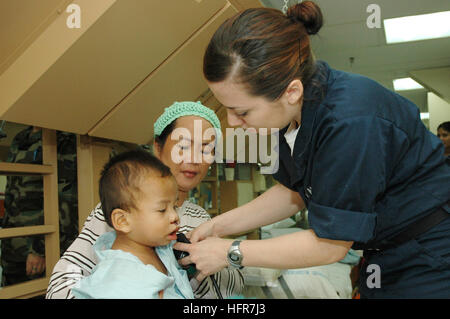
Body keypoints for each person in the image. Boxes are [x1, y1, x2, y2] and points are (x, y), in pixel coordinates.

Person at [174, 2, 450, 298]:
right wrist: (216, 226)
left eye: (242, 111)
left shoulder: (350, 123)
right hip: (387, 252)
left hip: (430, 255)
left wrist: (230, 251)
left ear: (291, 92)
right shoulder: (294, 113)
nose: (232, 122)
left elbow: (331, 244)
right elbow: (295, 192)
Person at [46, 101, 244, 299]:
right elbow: (61, 283)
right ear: (158, 147)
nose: (194, 159)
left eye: (205, 150)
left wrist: (198, 271)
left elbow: (232, 287)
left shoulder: (200, 217)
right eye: (183, 146)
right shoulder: (124, 211)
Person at [70, 150, 193, 299]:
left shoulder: (159, 248)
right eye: (162, 210)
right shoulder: (117, 281)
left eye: (174, 206)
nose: (175, 216)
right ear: (122, 221)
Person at [1, 126, 78, 287]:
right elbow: (12, 193)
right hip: (13, 249)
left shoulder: (64, 138)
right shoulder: (20, 138)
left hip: (41, 247)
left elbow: (66, 200)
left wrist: (40, 250)